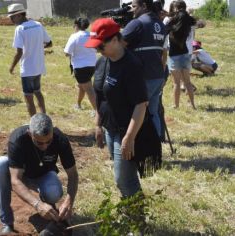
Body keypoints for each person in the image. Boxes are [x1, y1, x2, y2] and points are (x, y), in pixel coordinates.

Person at [87, 18, 161, 199]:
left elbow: (140, 104)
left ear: (114, 40)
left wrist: (129, 138)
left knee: (123, 179)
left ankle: (139, 223)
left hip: (126, 132)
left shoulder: (131, 66)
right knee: (124, 177)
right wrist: (98, 124)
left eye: (100, 46)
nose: (97, 49)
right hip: (110, 129)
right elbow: (100, 97)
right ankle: (130, 210)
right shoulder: (102, 63)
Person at [0, 113, 78, 235]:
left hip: (43, 175)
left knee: (54, 192)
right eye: (39, 142)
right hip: (21, 176)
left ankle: (50, 211)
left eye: (48, 141)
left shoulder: (60, 138)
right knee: (0, 164)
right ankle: (7, 223)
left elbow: (73, 174)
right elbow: (15, 180)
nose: (44, 146)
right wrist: (37, 205)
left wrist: (69, 201)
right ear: (29, 133)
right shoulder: (17, 139)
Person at [122, 0, 166, 138]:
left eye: (134, 6)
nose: (131, 10)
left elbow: (117, 44)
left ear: (144, 6)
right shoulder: (159, 24)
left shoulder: (138, 23)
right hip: (157, 75)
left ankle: (137, 145)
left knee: (136, 113)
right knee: (153, 113)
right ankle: (155, 146)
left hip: (142, 76)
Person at [8, 4, 52, 117]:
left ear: (19, 15)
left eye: (12, 17)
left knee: (28, 97)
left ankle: (34, 123)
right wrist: (38, 47)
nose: (11, 19)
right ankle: (44, 118)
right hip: (38, 67)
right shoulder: (38, 24)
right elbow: (49, 43)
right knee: (37, 91)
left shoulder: (20, 29)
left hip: (27, 69)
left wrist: (12, 66)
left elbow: (19, 52)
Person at [165, 0, 197, 109]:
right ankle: (192, 104)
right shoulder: (188, 20)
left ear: (175, 8)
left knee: (176, 83)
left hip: (174, 55)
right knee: (187, 82)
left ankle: (176, 105)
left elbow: (164, 30)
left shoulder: (170, 21)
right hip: (185, 53)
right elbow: (199, 22)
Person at [64, 17, 96, 112]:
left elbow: (67, 53)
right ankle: (78, 104)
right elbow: (97, 48)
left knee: (89, 90)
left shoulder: (74, 36)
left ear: (76, 26)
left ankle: (97, 111)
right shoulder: (92, 35)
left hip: (80, 67)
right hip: (92, 65)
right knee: (81, 86)